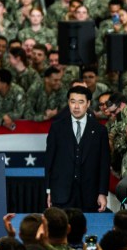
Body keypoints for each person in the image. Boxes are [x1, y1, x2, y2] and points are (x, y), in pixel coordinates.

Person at [44, 84, 109, 212]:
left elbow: (104, 164)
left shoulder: (99, 130)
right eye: (72, 102)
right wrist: (49, 190)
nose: (76, 106)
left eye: (81, 102)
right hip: (62, 193)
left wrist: (102, 193)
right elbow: (49, 161)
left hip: (90, 194)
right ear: (68, 102)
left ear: (88, 103)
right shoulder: (57, 127)